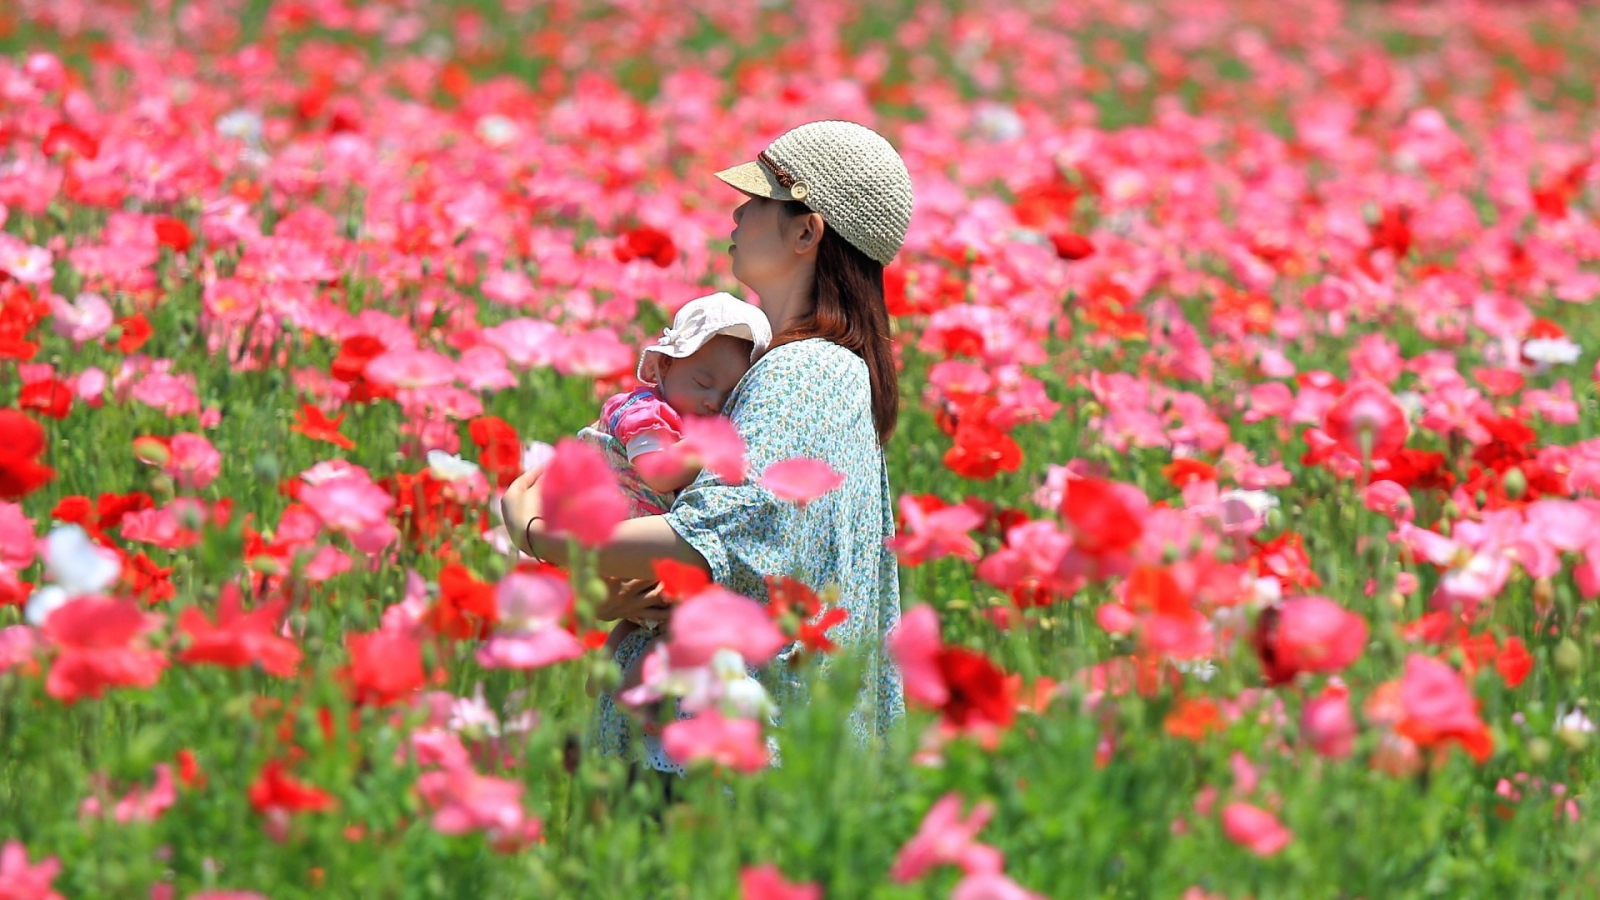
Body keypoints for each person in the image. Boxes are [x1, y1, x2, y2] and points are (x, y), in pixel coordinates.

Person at [501, 119, 913, 776]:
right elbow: (752, 570)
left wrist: (537, 533)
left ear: (807, 232)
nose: (737, 211)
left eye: (757, 200)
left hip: (717, 757)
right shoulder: (809, 370)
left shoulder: (805, 371)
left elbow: (710, 534)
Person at [577, 292, 772, 697]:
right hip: (627, 542)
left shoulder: (677, 416)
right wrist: (713, 443)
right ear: (664, 364)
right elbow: (658, 472)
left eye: (727, 396)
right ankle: (630, 693)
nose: (711, 400)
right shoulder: (643, 411)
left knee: (642, 623)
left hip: (642, 551)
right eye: (703, 382)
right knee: (679, 621)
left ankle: (610, 680)